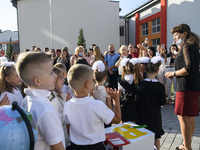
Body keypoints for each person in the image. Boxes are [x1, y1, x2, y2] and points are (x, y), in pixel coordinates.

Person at [63, 64, 121, 150]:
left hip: (75, 146)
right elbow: (117, 119)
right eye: (92, 80)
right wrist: (115, 99)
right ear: (87, 84)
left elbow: (69, 128)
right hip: (96, 147)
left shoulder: (67, 105)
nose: (94, 82)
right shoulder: (97, 105)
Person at [16, 52, 65, 150]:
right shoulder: (46, 110)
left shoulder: (27, 100)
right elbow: (58, 147)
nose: (55, 76)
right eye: (51, 73)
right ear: (37, 81)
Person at [165, 24, 200, 150]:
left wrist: (172, 73)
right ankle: (186, 145)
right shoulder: (192, 46)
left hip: (185, 87)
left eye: (176, 35)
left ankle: (187, 147)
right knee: (189, 117)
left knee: (183, 117)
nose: (174, 38)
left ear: (184, 33)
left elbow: (189, 68)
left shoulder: (186, 46)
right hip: (193, 86)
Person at [136, 56, 166, 150]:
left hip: (142, 116)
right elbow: (162, 102)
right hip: (155, 117)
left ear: (145, 71)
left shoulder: (140, 85)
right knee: (156, 137)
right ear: (157, 71)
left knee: (143, 135)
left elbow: (137, 100)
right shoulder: (160, 86)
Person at [49, 66, 71, 148]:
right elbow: (57, 119)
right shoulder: (53, 100)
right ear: (54, 80)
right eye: (60, 78)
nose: (63, 80)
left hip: (64, 138)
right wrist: (67, 105)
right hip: (60, 140)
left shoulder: (59, 95)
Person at [118, 58, 142, 122]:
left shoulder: (121, 81)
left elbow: (118, 95)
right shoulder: (138, 78)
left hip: (125, 104)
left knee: (124, 124)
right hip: (136, 104)